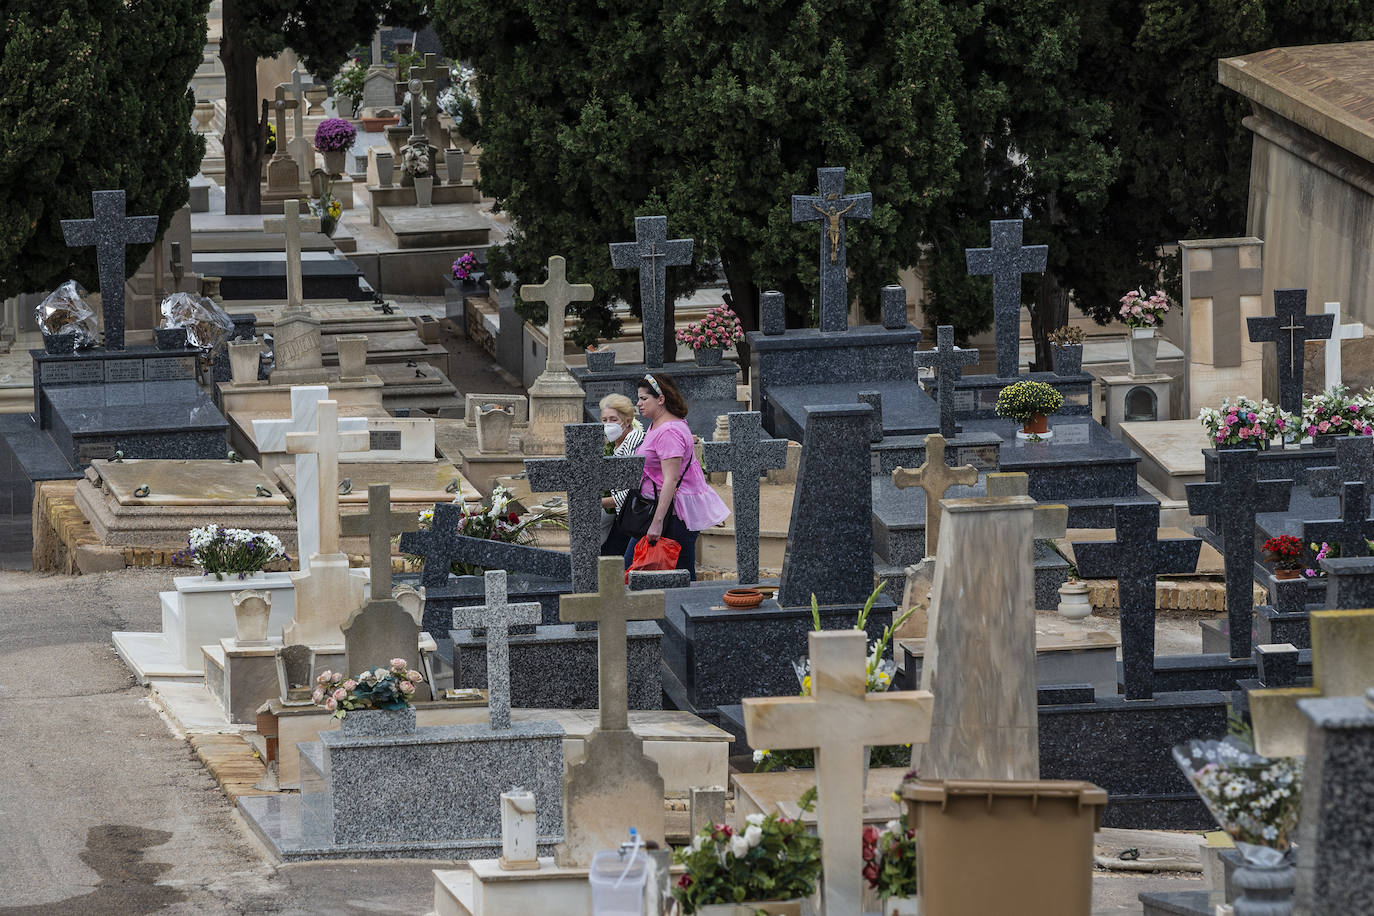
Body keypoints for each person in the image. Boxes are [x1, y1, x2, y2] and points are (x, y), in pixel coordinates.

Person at [624, 373, 729, 579]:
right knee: (644, 572)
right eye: (639, 399)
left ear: (661, 399)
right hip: (657, 511)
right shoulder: (660, 425)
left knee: (679, 575)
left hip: (670, 515)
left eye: (644, 399)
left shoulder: (669, 431)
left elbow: (671, 480)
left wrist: (657, 522)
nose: (639, 404)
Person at [598, 392, 645, 557]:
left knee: (611, 559)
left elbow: (631, 491)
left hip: (635, 516)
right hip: (624, 515)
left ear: (627, 421)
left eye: (613, 420)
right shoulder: (617, 444)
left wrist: (599, 502)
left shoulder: (634, 442)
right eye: (604, 420)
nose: (608, 425)